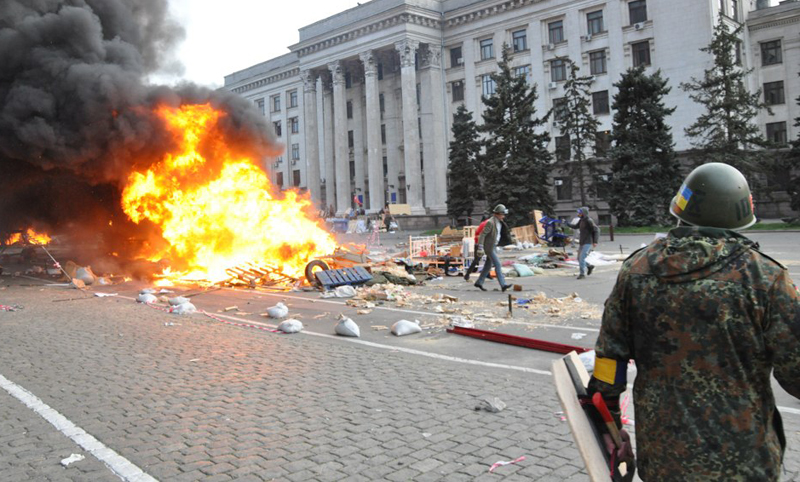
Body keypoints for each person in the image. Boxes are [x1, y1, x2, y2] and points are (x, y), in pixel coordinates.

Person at [588, 162, 800, 481]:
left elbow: (608, 360)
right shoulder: (766, 279)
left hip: (663, 458)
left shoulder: (636, 271)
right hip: (744, 461)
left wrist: (610, 426)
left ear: (681, 208)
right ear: (740, 214)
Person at [474, 204, 512, 292]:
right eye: (502, 214)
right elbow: (482, 235)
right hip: (489, 247)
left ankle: (479, 282)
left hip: (493, 245)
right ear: (497, 214)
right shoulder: (490, 222)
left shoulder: (499, 221)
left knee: (488, 265)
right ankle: (503, 285)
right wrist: (480, 247)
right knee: (498, 264)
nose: (504, 216)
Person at [568, 207, 599, 279]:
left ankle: (582, 274)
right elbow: (575, 227)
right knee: (579, 258)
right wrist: (567, 224)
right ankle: (589, 266)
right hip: (582, 242)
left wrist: (595, 241)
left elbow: (596, 230)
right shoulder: (581, 220)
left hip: (588, 242)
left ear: (583, 213)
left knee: (582, 258)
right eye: (578, 213)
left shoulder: (589, 220)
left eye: (580, 213)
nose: (578, 214)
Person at [464, 215, 489, 282]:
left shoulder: (483, 224)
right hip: (480, 244)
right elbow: (480, 234)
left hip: (479, 244)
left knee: (487, 259)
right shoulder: (486, 224)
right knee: (477, 260)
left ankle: (487, 273)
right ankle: (467, 274)